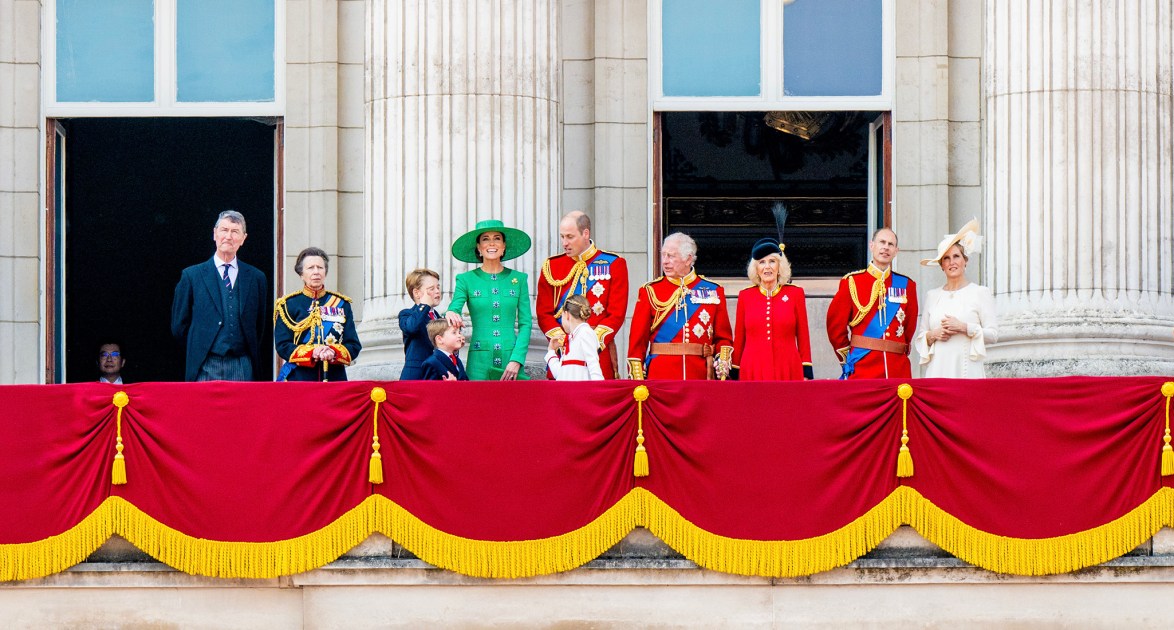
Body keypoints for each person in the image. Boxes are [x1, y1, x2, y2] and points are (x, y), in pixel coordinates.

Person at [171, 210, 268, 381]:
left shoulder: (256, 278)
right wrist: (200, 347)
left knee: (244, 408)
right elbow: (179, 326)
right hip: (204, 365)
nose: (228, 236)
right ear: (215, 234)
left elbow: (259, 326)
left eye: (235, 231)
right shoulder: (192, 276)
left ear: (244, 238)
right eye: (224, 230)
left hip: (242, 364)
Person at [535, 211, 629, 379]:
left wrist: (591, 342)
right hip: (563, 353)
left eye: (570, 237)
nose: (564, 243)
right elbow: (544, 313)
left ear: (585, 233)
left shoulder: (614, 263)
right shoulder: (552, 266)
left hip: (598, 353)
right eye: (562, 237)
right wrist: (564, 342)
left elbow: (616, 314)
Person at [628, 232, 733, 380]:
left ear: (688, 259)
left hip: (700, 375)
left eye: (671, 256)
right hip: (661, 376)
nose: (665, 261)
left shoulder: (713, 290)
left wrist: (722, 362)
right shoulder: (650, 291)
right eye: (663, 255)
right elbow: (637, 343)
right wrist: (637, 377)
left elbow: (723, 338)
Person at [443, 219, 533, 381]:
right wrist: (450, 311)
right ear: (478, 247)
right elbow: (454, 307)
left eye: (497, 238)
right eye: (485, 239)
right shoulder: (465, 279)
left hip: (510, 359)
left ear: (504, 245)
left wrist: (517, 359)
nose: (492, 243)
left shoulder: (519, 279)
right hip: (479, 361)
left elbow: (526, 324)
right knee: (477, 405)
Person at [826, 227, 919, 379]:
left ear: (896, 251)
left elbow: (909, 328)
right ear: (872, 246)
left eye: (891, 244)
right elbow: (835, 327)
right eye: (882, 242)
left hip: (897, 368)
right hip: (862, 367)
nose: (886, 247)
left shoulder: (907, 285)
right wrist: (848, 360)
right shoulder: (852, 282)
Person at [913, 219, 998, 378]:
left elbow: (993, 335)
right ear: (941, 265)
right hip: (938, 370)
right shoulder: (933, 295)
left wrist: (964, 327)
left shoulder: (980, 292)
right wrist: (934, 334)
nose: (952, 262)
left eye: (956, 256)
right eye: (946, 258)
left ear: (965, 261)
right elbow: (922, 335)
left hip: (968, 370)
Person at [273, 247, 362, 381]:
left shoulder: (342, 304)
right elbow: (283, 345)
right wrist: (312, 352)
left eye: (320, 267)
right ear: (301, 274)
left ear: (325, 272)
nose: (316, 272)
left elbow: (353, 345)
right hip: (300, 378)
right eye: (310, 268)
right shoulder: (288, 305)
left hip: (334, 377)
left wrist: (333, 352)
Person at [732, 238, 813, 381]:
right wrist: (734, 371)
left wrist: (806, 371)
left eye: (772, 261)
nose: (767, 267)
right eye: (762, 262)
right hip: (752, 369)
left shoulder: (795, 294)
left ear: (779, 267)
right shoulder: (745, 296)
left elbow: (803, 337)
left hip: (788, 367)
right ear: (756, 269)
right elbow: (739, 339)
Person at [545, 294, 604, 381]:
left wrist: (599, 391)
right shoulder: (571, 338)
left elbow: (594, 367)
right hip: (568, 392)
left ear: (567, 315)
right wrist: (551, 351)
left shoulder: (585, 332)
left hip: (581, 393)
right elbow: (560, 374)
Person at [399, 268, 443, 380]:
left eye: (438, 287)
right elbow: (412, 327)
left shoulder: (440, 318)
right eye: (431, 289)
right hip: (416, 376)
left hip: (436, 376)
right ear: (417, 293)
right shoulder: (407, 314)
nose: (437, 291)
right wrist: (424, 305)